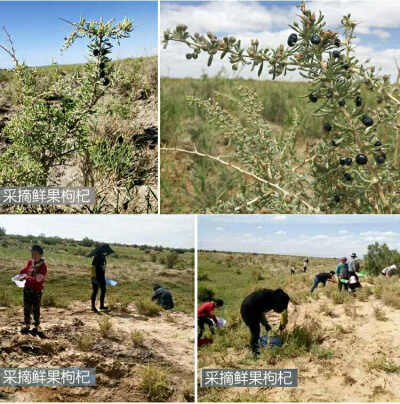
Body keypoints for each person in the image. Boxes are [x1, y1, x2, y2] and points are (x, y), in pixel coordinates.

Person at [240, 288, 289, 357]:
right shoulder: (268, 299)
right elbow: (259, 314)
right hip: (247, 309)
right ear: (278, 302)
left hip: (252, 308)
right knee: (255, 331)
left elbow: (260, 312)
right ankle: (255, 353)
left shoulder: (272, 297)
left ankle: (256, 347)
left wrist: (266, 325)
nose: (281, 309)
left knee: (256, 331)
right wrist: (266, 324)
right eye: (282, 307)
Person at [19, 245, 48, 337]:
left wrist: (27, 276)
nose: (33, 256)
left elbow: (38, 279)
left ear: (41, 255)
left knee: (36, 309)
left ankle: (36, 327)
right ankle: (27, 325)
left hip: (36, 291)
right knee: (27, 308)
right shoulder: (30, 262)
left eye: (35, 254)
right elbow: (25, 270)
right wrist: (21, 274)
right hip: (27, 289)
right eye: (32, 254)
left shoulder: (43, 266)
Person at [89, 244, 114, 313]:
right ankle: (93, 307)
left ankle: (101, 306)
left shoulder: (103, 257)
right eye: (106, 251)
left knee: (103, 291)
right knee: (95, 291)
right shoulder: (96, 257)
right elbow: (93, 268)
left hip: (102, 277)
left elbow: (102, 268)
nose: (107, 253)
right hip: (95, 277)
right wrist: (93, 278)